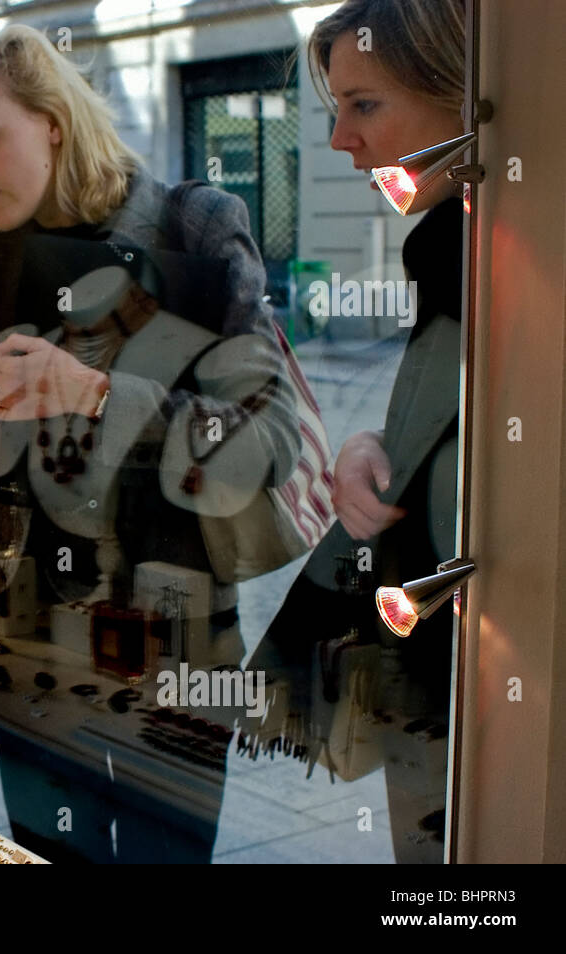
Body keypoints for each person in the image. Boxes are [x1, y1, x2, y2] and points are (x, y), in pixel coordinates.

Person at [0, 24, 302, 861]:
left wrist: (96, 390)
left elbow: (270, 438)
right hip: (23, 622)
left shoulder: (194, 225)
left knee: (166, 854)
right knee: (51, 854)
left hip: (172, 626)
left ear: (51, 119)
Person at [244, 0, 466, 864]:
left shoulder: (503, 257)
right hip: (427, 694)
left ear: (467, 95)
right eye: (338, 109)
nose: (341, 142)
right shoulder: (453, 253)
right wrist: (377, 448)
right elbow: (456, 422)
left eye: (364, 105)